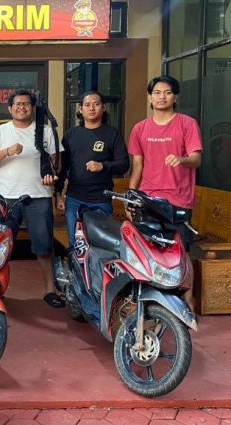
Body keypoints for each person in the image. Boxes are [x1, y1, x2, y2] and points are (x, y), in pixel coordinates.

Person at [0, 88, 63, 308]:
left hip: (39, 196)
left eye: (26, 104)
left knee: (44, 247)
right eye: (17, 104)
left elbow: (56, 163)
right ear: (10, 108)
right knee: (1, 246)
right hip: (6, 197)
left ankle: (50, 289)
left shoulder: (46, 131)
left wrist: (51, 175)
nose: (22, 107)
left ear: (33, 107)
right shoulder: (0, 132)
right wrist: (7, 151)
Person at [128, 75, 202, 309]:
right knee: (147, 249)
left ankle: (188, 299)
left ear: (175, 97)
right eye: (157, 92)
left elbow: (196, 159)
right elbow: (137, 166)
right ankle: (151, 299)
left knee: (180, 250)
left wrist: (181, 159)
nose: (162, 97)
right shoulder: (140, 128)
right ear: (150, 97)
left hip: (178, 199)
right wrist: (131, 197)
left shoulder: (187, 124)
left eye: (167, 92)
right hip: (147, 199)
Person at [56, 91, 130, 248]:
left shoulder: (112, 134)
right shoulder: (71, 135)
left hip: (101, 199)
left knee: (101, 245)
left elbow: (124, 164)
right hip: (74, 198)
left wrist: (103, 166)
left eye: (96, 104)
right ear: (80, 109)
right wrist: (57, 194)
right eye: (87, 105)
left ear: (103, 108)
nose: (91, 108)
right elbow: (63, 168)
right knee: (75, 244)